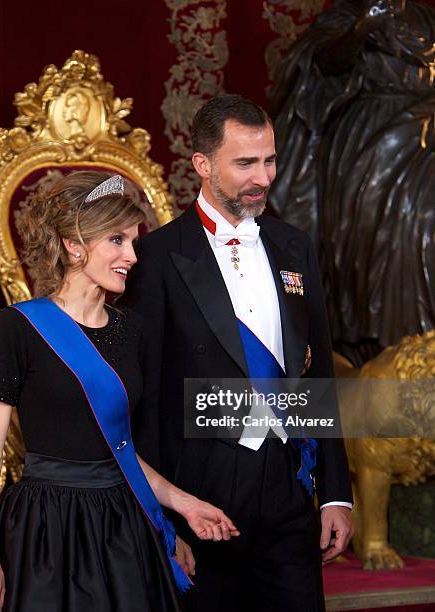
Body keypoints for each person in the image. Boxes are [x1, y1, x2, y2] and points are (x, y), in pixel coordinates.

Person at [0, 171, 239, 612]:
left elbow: (120, 449)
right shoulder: (20, 327)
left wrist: (185, 506)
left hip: (120, 527)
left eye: (133, 242)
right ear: (74, 246)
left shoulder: (131, 332)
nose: (131, 255)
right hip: (43, 529)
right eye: (117, 240)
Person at [123, 95, 354, 612]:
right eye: (245, 163)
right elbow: (148, 401)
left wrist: (336, 493)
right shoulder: (155, 258)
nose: (263, 177)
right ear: (203, 165)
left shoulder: (295, 245)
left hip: (290, 483)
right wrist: (162, 522)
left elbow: (319, 377)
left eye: (269, 160)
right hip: (203, 493)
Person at [269, 0, 435, 362]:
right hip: (374, 132)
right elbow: (321, 66)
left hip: (427, 127)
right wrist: (365, 25)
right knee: (405, 222)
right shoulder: (348, 14)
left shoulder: (426, 16)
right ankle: (390, 334)